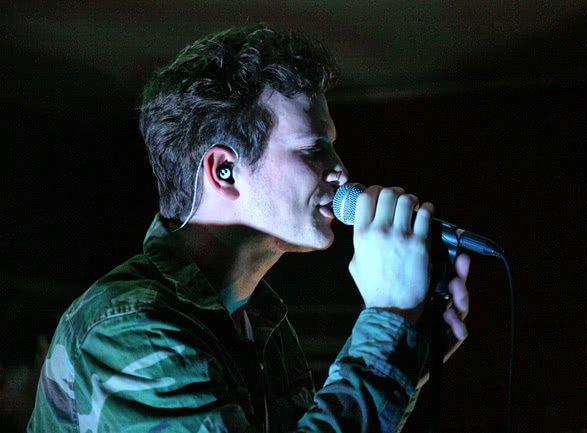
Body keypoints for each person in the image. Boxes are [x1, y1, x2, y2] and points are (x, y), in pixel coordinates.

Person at [27, 24, 471, 433]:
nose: (340, 170)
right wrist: (389, 320)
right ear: (224, 172)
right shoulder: (130, 327)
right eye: (313, 149)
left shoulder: (260, 321)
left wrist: (405, 351)